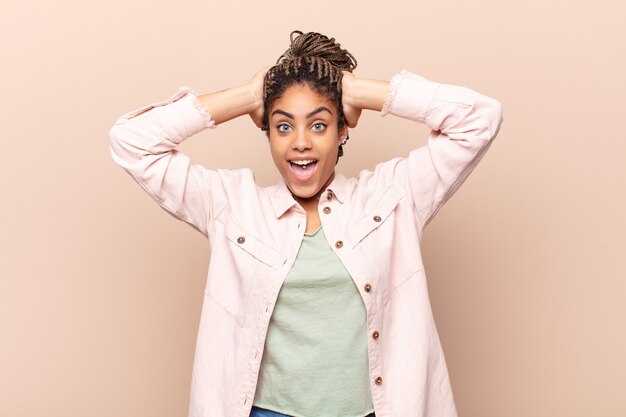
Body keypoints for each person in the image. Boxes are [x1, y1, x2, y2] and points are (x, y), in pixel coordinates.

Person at [108, 30, 503, 417]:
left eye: (318, 124)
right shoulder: (232, 206)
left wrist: (358, 91)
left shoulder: (394, 195)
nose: (300, 142)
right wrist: (246, 96)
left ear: (342, 130)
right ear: (267, 133)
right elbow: (131, 140)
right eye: (283, 126)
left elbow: (479, 119)